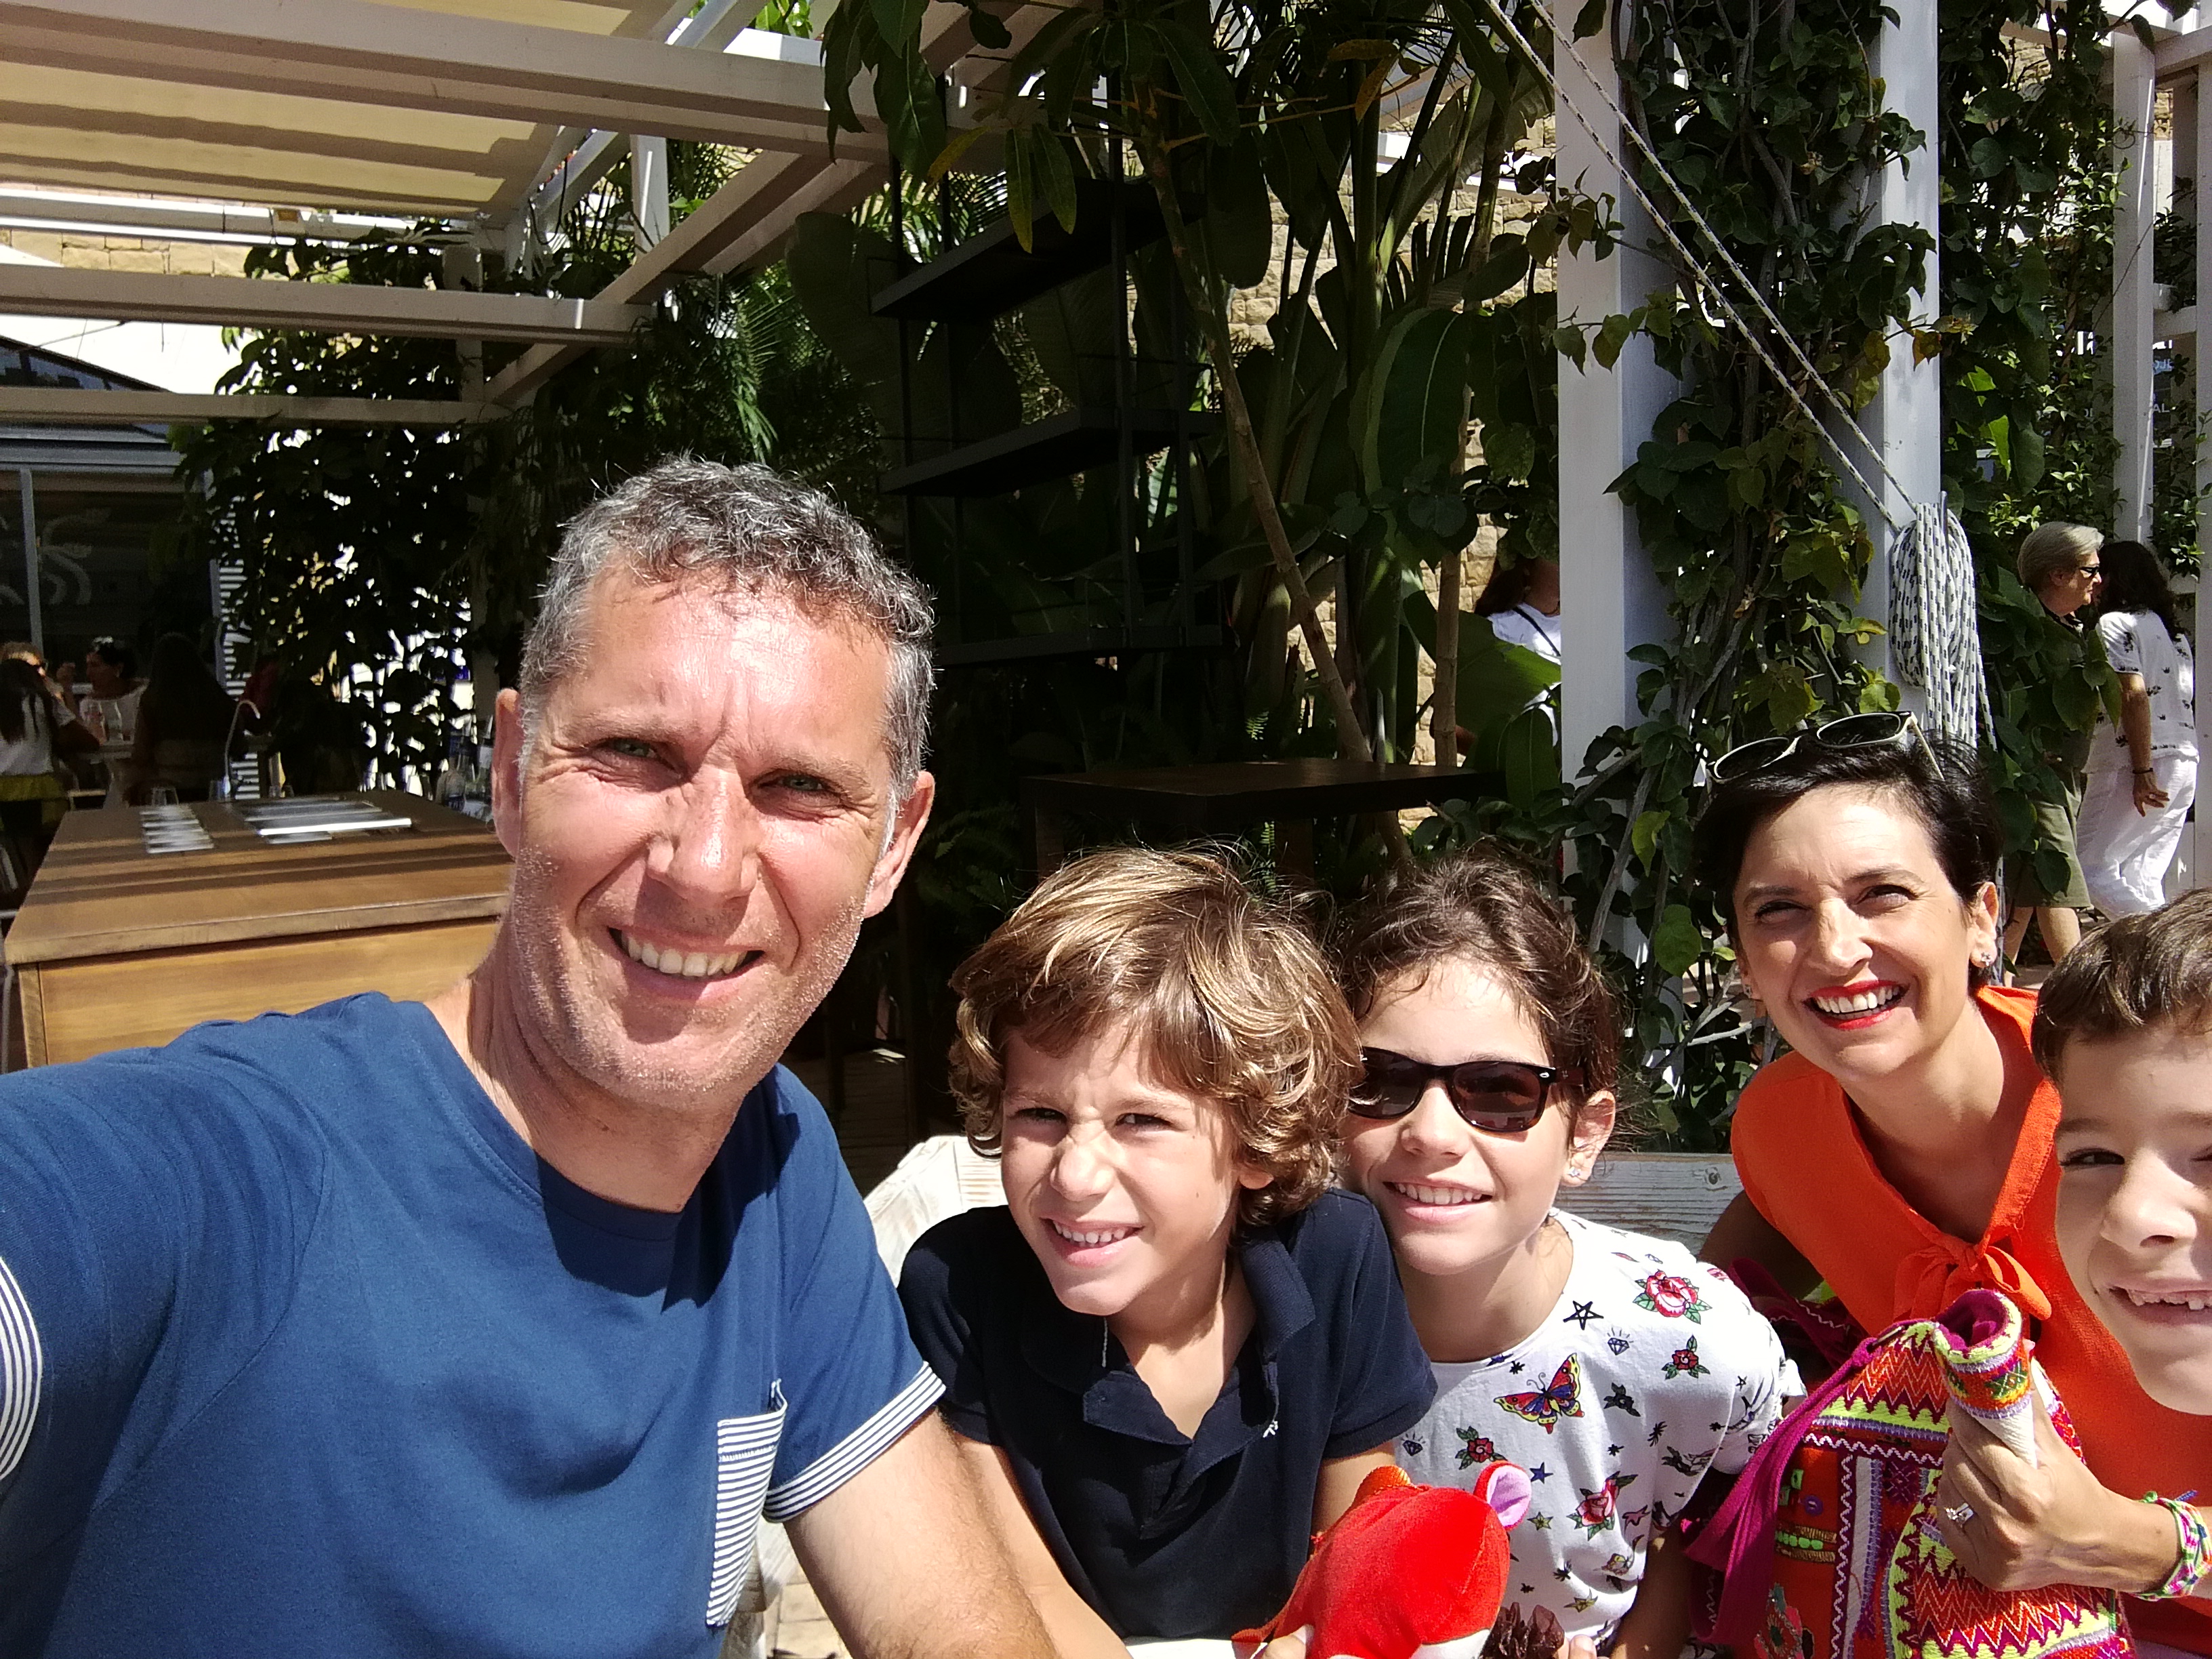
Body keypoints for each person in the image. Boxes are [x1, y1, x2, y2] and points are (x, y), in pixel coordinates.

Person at [0, 459, 1046, 1658]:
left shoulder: (769, 1160)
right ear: (509, 771)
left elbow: (946, 1623)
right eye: (634, 750)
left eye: (798, 786)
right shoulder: (233, 1174)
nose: (705, 867)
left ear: (892, 845)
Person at [1692, 714, 2212, 1652]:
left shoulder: (2131, 1102)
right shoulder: (1780, 1126)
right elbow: (1743, 1256)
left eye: (1882, 894)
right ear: (1744, 959)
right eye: (1779, 910)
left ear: (1981, 918)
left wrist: (2128, 1544)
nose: (1835, 949)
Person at [897, 846, 1434, 1653]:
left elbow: (1360, 1530)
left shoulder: (1339, 1260)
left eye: (1140, 1121)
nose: (1075, 1175)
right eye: (1040, 1114)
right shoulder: (960, 1289)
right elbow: (1015, 1583)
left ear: (1257, 1143)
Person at [1333, 847, 1795, 1659]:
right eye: (1381, 1079)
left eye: (1499, 1091)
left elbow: (1759, 1514)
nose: (1432, 1133)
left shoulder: (1687, 1337)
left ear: (1583, 1134)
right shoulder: (1270, 1320)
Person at [2005, 523, 2108, 967]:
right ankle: (2081, 992)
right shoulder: (2026, 633)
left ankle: (1990, 988)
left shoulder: (2071, 629)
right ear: (2058, 575)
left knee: (2026, 891)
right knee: (2058, 880)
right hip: (2037, 776)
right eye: (2090, 570)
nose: (2098, 580)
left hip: (2063, 775)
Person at [2076, 539, 2196, 916]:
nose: (2095, 583)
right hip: (2184, 760)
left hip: (2132, 761)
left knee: (2088, 870)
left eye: (2100, 573)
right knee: (2142, 877)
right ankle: (2174, 950)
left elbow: (2134, 695)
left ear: (2117, 578)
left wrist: (2142, 770)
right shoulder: (2176, 637)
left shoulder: (2115, 624)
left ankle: (2157, 944)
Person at [0, 653, 92, 882]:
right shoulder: (43, 701)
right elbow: (86, 740)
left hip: (2, 793)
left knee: (15, 863)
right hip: (42, 791)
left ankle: (21, 896)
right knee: (48, 861)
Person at [123, 633, 239, 802]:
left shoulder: (154, 700)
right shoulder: (218, 698)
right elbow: (238, 747)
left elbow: (141, 754)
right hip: (215, 789)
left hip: (170, 791)